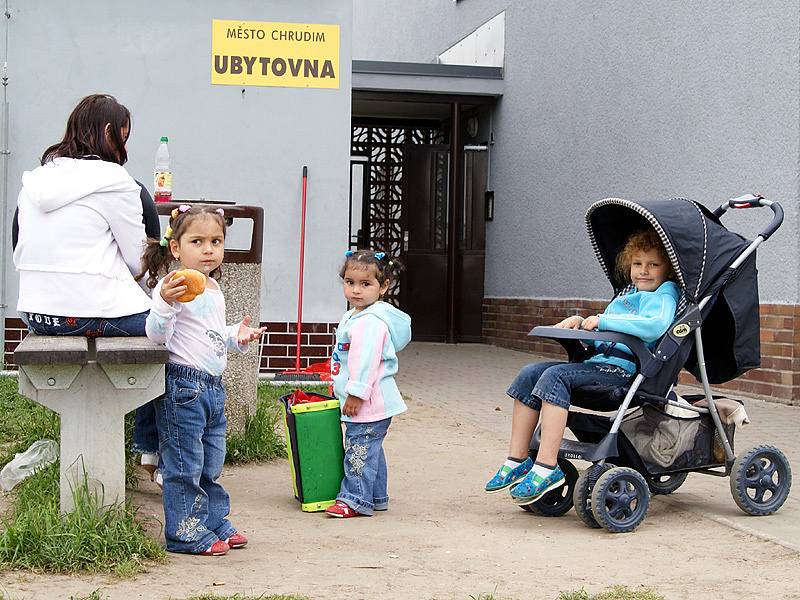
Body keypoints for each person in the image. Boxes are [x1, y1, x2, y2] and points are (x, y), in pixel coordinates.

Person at [484, 228, 680, 506]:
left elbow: (654, 326)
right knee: (530, 373)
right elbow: (601, 326)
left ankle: (546, 467)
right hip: (598, 366)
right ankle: (517, 459)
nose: (643, 271)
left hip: (621, 375)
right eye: (637, 264)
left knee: (555, 376)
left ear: (668, 271)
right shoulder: (627, 297)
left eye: (653, 265)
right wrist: (579, 321)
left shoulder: (664, 295)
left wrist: (602, 321)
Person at [140, 204, 266, 556]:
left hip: (212, 387)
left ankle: (211, 519)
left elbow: (207, 334)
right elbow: (156, 334)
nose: (209, 249)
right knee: (184, 464)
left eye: (216, 241)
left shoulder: (212, 288)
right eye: (198, 241)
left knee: (211, 460)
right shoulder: (174, 285)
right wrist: (164, 303)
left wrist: (234, 336)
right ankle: (184, 532)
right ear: (177, 248)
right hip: (183, 385)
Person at [13, 93, 151, 336]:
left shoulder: (35, 179)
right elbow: (137, 260)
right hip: (89, 312)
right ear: (109, 133)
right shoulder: (115, 179)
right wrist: (157, 296)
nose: (125, 148)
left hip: (34, 314)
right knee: (179, 322)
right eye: (124, 137)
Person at [325, 249, 412, 518]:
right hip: (370, 402)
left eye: (366, 284)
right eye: (350, 283)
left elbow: (365, 361)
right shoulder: (355, 315)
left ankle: (354, 499)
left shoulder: (370, 322)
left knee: (359, 448)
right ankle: (376, 496)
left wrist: (355, 393)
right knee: (370, 447)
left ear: (383, 286)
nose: (356, 290)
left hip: (367, 401)